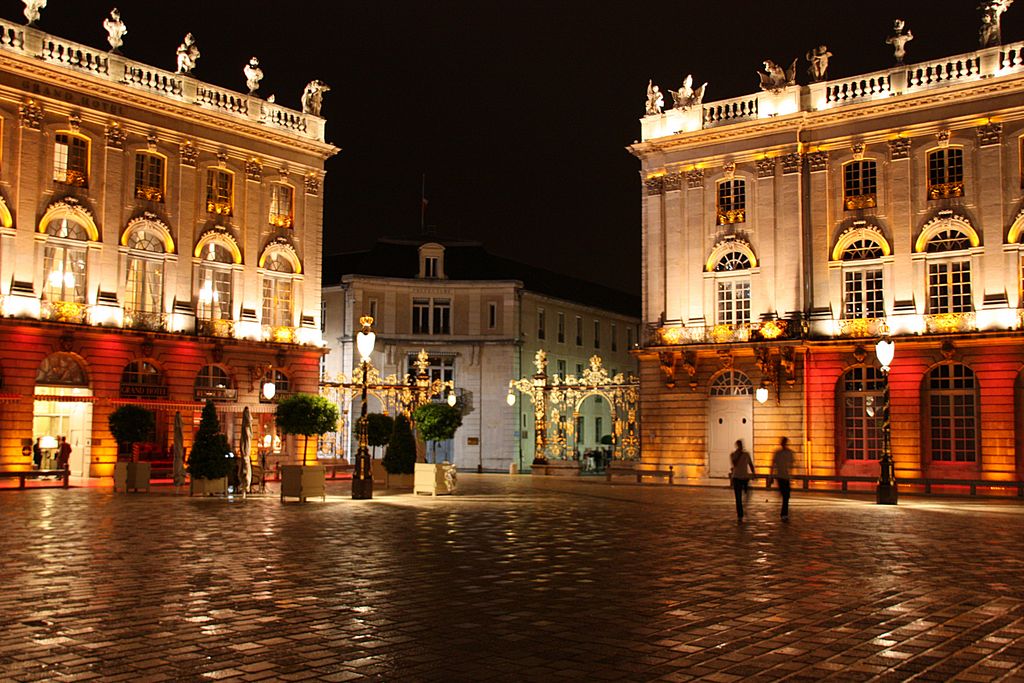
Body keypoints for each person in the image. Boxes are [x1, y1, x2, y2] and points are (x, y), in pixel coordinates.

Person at [769, 437, 795, 521]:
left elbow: (773, 465)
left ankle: (784, 513)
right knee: (786, 496)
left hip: (783, 476)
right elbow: (791, 465)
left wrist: (771, 476)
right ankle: (784, 514)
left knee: (786, 496)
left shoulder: (779, 453)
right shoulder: (786, 453)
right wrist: (771, 475)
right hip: (781, 476)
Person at [729, 439, 755, 521]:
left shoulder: (746, 454)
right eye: (739, 444)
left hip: (744, 477)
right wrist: (739, 454)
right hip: (737, 478)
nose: (741, 446)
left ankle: (744, 505)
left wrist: (754, 473)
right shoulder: (733, 454)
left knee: (748, 494)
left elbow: (750, 464)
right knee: (738, 497)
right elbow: (734, 463)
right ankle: (740, 513)